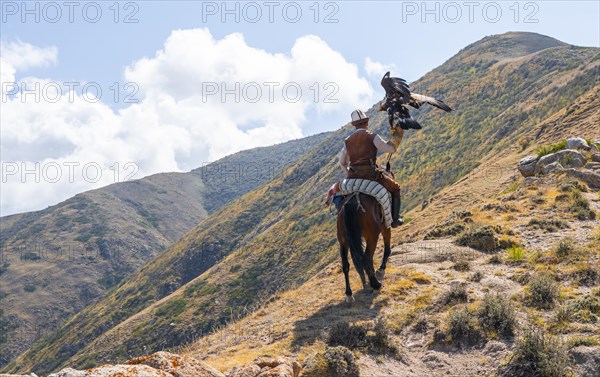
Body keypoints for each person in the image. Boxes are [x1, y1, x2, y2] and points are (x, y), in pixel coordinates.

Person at [339, 109, 404, 227]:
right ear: (367, 123)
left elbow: (342, 163)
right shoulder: (372, 136)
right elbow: (390, 149)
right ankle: (395, 219)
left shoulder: (347, 141)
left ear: (354, 126)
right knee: (396, 188)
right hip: (372, 176)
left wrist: (348, 173)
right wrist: (397, 135)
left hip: (352, 177)